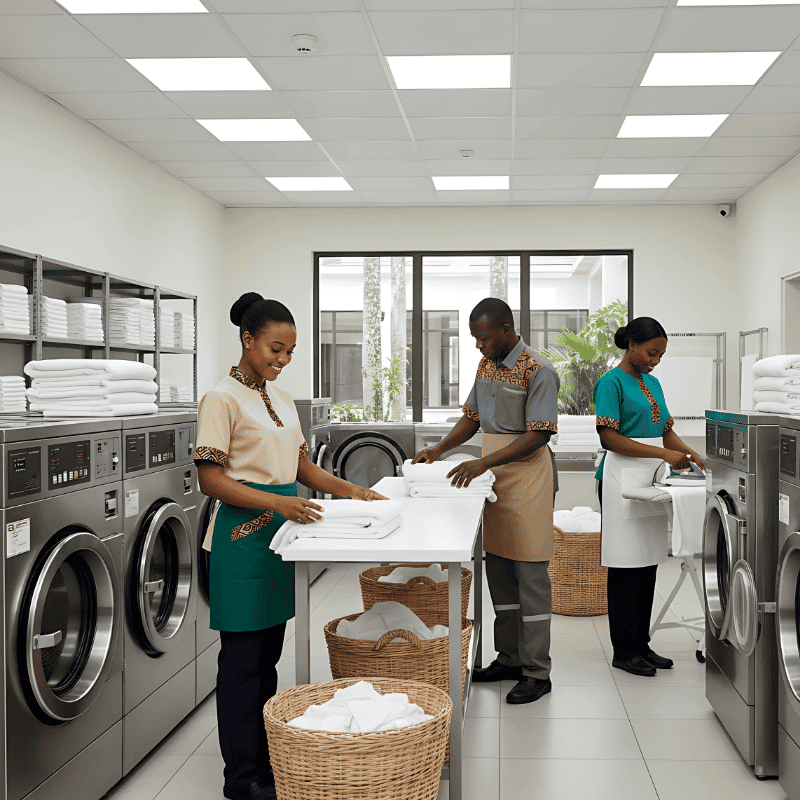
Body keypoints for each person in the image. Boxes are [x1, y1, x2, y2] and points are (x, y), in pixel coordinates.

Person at [194, 292, 387, 800]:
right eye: (273, 350)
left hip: (280, 542)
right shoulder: (221, 398)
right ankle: (240, 779)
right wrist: (278, 505)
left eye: (289, 353)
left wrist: (351, 489)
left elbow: (300, 466)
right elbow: (210, 479)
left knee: (268, 660)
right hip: (240, 542)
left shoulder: (280, 399)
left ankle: (264, 763)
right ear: (247, 339)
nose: (281, 361)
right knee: (241, 665)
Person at [412, 297, 560, 705]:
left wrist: (482, 464)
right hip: (493, 477)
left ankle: (537, 672)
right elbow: (472, 418)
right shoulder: (487, 365)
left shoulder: (539, 370)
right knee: (498, 571)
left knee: (530, 578)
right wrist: (439, 449)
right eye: (475, 338)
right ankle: (509, 658)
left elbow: (539, 434)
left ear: (506, 330)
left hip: (527, 475)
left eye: (483, 338)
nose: (478, 345)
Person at [594, 316, 706, 677]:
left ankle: (641, 644)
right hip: (620, 481)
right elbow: (608, 438)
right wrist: (663, 456)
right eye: (651, 353)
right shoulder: (610, 383)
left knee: (647, 561)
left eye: (660, 356)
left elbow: (666, 433)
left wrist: (694, 455)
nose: (655, 361)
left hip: (652, 481)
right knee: (625, 564)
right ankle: (623, 651)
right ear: (632, 346)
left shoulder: (653, 384)